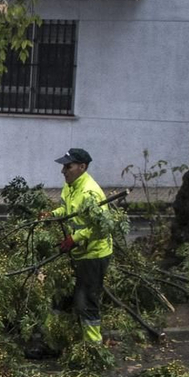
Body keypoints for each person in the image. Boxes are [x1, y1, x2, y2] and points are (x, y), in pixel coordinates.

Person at [41, 148, 114, 345]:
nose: (63, 171)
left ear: (82, 167)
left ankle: (93, 348)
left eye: (68, 166)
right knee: (60, 295)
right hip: (79, 252)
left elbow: (102, 227)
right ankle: (53, 340)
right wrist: (51, 215)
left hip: (94, 254)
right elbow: (66, 210)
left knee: (85, 301)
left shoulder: (90, 192)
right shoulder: (71, 186)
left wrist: (75, 239)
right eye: (64, 166)